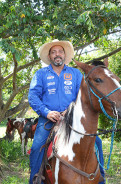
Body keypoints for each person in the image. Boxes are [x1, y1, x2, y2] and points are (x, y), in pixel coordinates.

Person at [28, 39, 105, 184]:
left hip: (72, 119)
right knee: (37, 146)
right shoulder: (40, 74)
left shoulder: (76, 74)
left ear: (64, 55)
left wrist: (69, 111)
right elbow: (33, 97)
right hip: (48, 119)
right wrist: (47, 112)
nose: (57, 54)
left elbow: (82, 97)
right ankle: (36, 179)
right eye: (54, 52)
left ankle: (100, 178)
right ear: (50, 56)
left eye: (60, 51)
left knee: (97, 142)